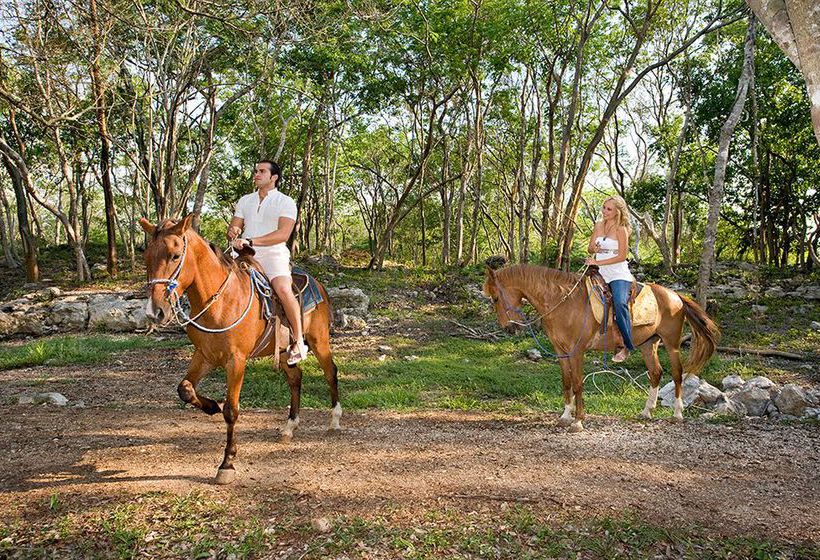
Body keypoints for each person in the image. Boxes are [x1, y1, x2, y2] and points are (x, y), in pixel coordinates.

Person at [228, 160, 307, 365]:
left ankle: (299, 341)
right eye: (255, 171)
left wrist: (253, 240)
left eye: (262, 171)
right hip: (245, 255)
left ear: (274, 178)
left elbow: (283, 234)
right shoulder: (245, 200)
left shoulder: (285, 202)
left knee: (282, 288)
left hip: (273, 254)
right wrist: (233, 232)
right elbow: (235, 226)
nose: (256, 174)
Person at [585, 195, 635, 363]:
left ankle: (626, 345)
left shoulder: (621, 229)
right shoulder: (599, 225)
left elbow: (622, 256)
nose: (604, 211)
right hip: (598, 271)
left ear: (617, 212)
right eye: (604, 207)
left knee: (620, 303)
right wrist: (594, 248)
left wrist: (597, 261)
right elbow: (590, 247)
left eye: (609, 209)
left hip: (617, 273)